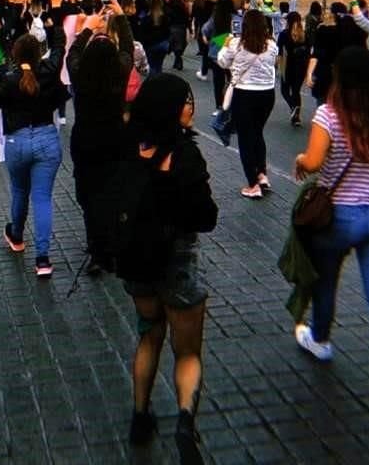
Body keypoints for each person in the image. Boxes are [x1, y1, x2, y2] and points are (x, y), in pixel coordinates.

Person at [294, 46, 369, 414]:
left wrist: (299, 160)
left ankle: (321, 339)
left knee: (326, 282)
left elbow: (312, 162)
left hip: (340, 217)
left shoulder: (328, 115)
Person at [122, 74, 218, 465]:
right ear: (171, 108)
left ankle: (140, 415)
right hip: (178, 261)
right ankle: (184, 420)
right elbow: (206, 217)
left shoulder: (130, 146)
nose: (190, 108)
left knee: (148, 336)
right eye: (185, 102)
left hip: (137, 262)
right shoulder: (184, 155)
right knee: (188, 351)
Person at [0, 32, 70, 277]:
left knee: (20, 191)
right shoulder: (49, 75)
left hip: (16, 141)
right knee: (42, 198)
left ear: (15, 54)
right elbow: (63, 93)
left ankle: (17, 235)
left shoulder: (10, 80)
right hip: (46, 139)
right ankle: (43, 259)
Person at [67, 14, 127, 273]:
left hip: (85, 141)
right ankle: (113, 246)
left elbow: (72, 55)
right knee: (113, 192)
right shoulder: (119, 74)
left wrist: (86, 30)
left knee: (89, 195)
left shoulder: (81, 76)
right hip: (115, 140)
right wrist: (121, 19)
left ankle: (96, 249)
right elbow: (126, 48)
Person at [217, 8, 278, 198]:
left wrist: (225, 44)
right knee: (258, 134)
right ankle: (262, 175)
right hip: (267, 94)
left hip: (244, 94)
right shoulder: (272, 45)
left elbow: (222, 62)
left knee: (245, 139)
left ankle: (253, 184)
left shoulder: (236, 44)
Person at [277, 11, 310, 127]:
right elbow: (308, 52)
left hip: (288, 66)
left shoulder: (284, 34)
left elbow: (279, 52)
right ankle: (296, 118)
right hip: (301, 66)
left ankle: (292, 106)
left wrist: (277, 65)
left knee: (284, 90)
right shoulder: (304, 35)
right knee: (296, 91)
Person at [140, 0, 171, 75]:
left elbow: (143, 34)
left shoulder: (146, 19)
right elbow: (168, 32)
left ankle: (153, 83)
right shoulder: (164, 18)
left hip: (150, 45)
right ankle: (158, 80)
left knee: (152, 65)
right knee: (159, 65)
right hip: (162, 45)